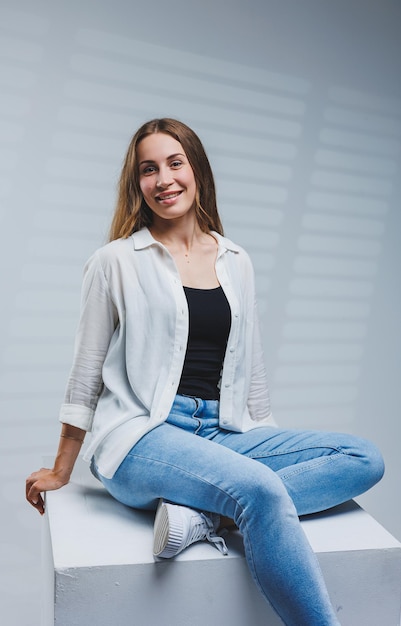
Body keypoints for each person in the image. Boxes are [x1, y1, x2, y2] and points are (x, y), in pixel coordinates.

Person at [26, 118, 384, 625]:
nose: (163, 179)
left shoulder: (236, 259)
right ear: (138, 184)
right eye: (148, 170)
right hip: (141, 436)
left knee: (362, 458)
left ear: (197, 170)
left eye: (175, 163)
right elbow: (86, 371)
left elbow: (252, 371)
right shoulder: (115, 262)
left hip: (221, 431)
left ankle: (201, 514)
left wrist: (263, 450)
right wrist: (62, 467)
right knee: (258, 492)